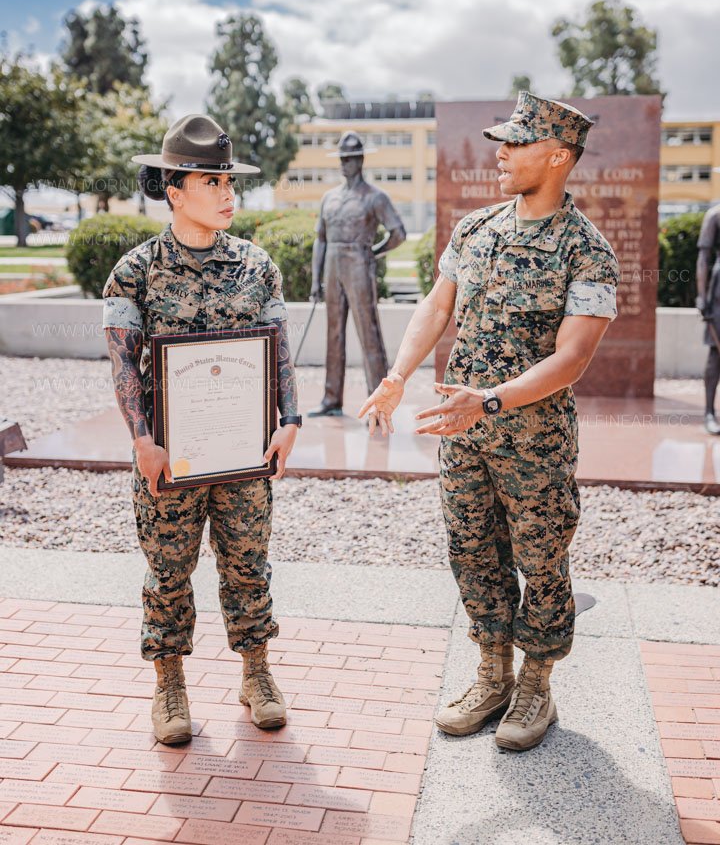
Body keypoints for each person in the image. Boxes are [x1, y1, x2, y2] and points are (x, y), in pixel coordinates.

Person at [359, 92, 619, 752]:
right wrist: (395, 378)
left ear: (557, 156)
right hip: (463, 437)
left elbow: (573, 358)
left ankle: (536, 683)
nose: (499, 153)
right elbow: (435, 307)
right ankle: (492, 674)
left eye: (516, 143)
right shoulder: (473, 230)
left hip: (535, 446)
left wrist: (491, 400)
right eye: (500, 141)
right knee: (473, 554)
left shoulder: (587, 250)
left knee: (541, 560)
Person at [102, 113, 302, 745]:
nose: (226, 193)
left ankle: (256, 673)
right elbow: (123, 364)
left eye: (229, 180)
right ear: (174, 191)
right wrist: (141, 440)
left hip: (243, 453)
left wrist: (290, 419)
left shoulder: (258, 265)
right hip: (171, 456)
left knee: (249, 563)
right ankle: (169, 683)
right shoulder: (134, 271)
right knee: (168, 570)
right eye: (211, 181)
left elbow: (278, 347)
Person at [308, 130, 406, 417]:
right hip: (333, 266)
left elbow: (398, 233)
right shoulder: (329, 198)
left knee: (369, 333)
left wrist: (373, 251)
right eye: (341, 158)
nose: (344, 164)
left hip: (359, 263)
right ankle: (331, 398)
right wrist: (316, 280)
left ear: (360, 160)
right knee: (334, 333)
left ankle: (378, 401)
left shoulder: (375, 197)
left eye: (349, 159)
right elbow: (321, 240)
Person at [695, 204, 720, 434]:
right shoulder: (715, 215)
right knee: (716, 353)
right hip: (719, 293)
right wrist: (702, 296)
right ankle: (709, 412)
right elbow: (703, 259)